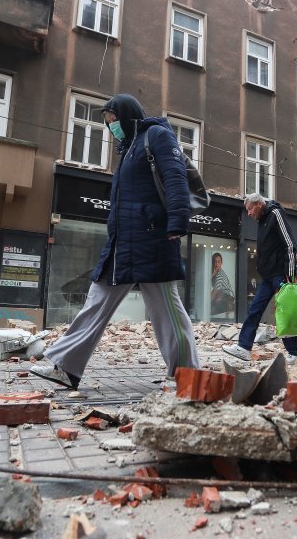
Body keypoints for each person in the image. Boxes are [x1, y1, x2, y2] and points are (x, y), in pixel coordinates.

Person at [30, 94, 199, 389]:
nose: (111, 126)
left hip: (153, 239)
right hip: (123, 243)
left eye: (113, 119)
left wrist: (177, 222)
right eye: (108, 122)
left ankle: (188, 375)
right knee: (97, 300)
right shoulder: (128, 149)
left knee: (166, 309)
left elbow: (176, 179)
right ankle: (66, 366)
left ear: (128, 115)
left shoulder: (157, 135)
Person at [223, 193, 297, 365]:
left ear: (259, 204)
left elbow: (289, 244)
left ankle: (296, 353)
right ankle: (244, 348)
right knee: (255, 310)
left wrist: (290, 275)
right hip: (268, 277)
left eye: (250, 209)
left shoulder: (275, 214)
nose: (249, 213)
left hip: (281, 275)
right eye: (247, 210)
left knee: (284, 314)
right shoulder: (262, 220)